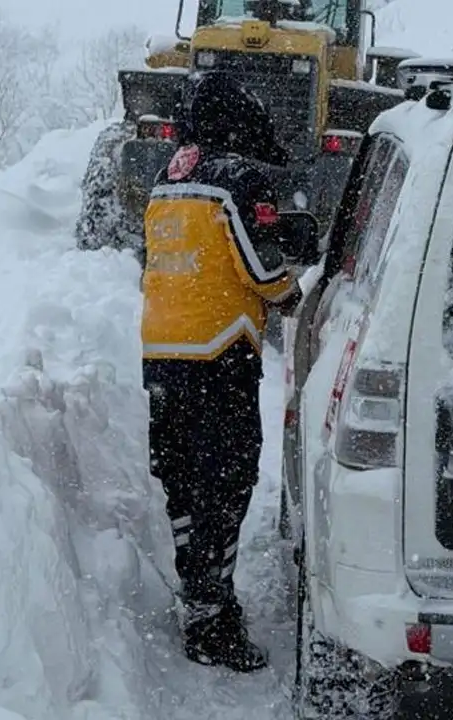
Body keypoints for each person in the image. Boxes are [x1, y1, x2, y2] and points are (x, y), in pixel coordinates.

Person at [140, 70, 301, 673]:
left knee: (182, 480)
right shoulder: (236, 178)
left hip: (161, 353)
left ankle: (199, 592)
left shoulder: (166, 177)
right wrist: (293, 289)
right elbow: (262, 273)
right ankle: (211, 621)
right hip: (218, 353)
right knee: (226, 483)